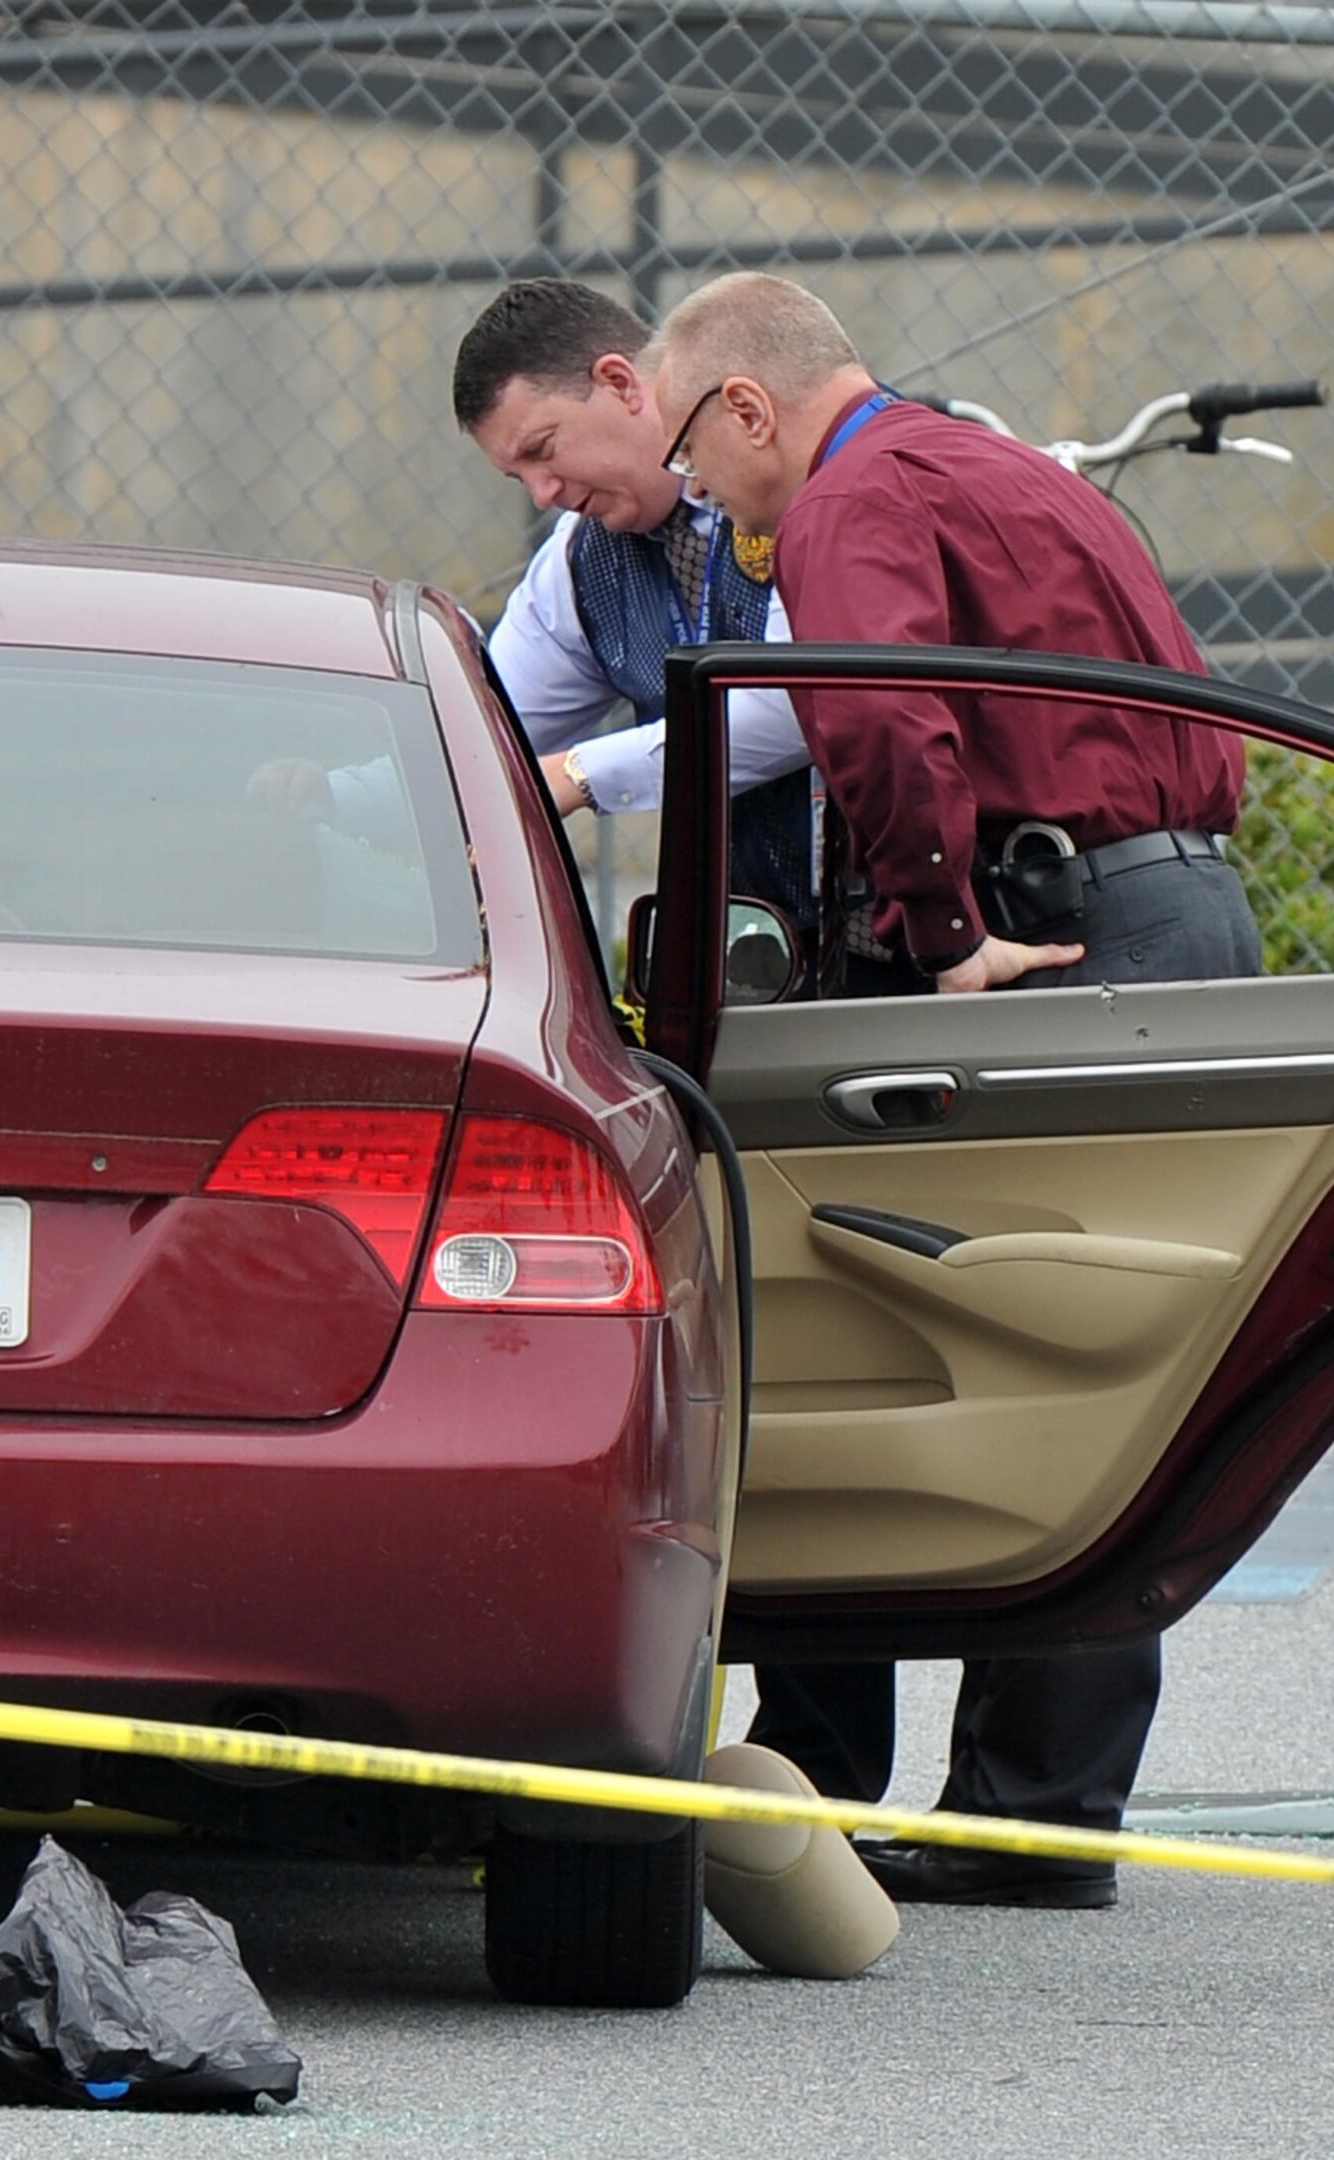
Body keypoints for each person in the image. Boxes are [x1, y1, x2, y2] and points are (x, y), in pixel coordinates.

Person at [648, 271, 1264, 1909]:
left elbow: (873, 715)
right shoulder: (994, 465)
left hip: (1061, 928)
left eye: (702, 463)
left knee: (977, 1325)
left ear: (752, 409)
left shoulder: (856, 494)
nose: (704, 499)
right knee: (1096, 1346)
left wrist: (943, 934)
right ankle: (1036, 1801)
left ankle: (968, 1809)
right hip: (1180, 903)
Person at [253, 280, 820, 929]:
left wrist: (580, 774)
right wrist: (335, 794)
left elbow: (799, 701)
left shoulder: (796, 492)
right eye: (517, 477)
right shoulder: (582, 558)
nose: (543, 493)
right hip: (753, 950)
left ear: (621, 383)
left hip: (916, 937)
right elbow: (489, 739)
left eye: (543, 449)